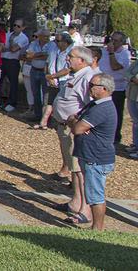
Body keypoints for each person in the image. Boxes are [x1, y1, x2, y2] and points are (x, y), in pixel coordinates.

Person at [64, 73, 117, 228]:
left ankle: (97, 229)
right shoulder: (95, 104)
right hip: (90, 155)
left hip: (96, 158)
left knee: (95, 196)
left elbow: (77, 128)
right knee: (93, 193)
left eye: (93, 86)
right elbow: (75, 118)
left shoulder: (102, 108)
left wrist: (76, 123)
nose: (89, 88)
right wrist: (77, 122)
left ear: (104, 89)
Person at [55, 46, 96, 186]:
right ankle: (76, 193)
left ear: (82, 60)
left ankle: (80, 199)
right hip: (65, 126)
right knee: (72, 164)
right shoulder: (77, 75)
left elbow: (92, 105)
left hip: (74, 128)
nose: (67, 58)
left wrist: (82, 126)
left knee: (77, 167)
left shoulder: (87, 78)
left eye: (71, 56)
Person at [100, 31, 130, 145]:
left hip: (117, 88)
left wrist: (112, 53)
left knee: (116, 113)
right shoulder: (103, 51)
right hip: (102, 86)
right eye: (111, 39)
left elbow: (115, 67)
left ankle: (115, 137)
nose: (112, 42)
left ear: (122, 42)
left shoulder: (124, 54)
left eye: (116, 41)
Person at [0, 19, 29, 111]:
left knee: (13, 83)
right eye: (14, 25)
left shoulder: (23, 38)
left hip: (13, 62)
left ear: (23, 28)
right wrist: (9, 47)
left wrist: (11, 42)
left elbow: (13, 49)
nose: (15, 27)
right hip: (2, 59)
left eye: (18, 26)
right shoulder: (7, 34)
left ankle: (12, 103)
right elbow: (1, 47)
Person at [23, 29, 52, 124]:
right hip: (34, 70)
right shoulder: (33, 44)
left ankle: (45, 117)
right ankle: (37, 114)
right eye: (45, 36)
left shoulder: (51, 45)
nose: (47, 38)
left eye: (48, 36)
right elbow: (28, 56)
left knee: (46, 95)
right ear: (40, 36)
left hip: (45, 72)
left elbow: (48, 56)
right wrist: (40, 55)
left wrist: (34, 55)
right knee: (35, 93)